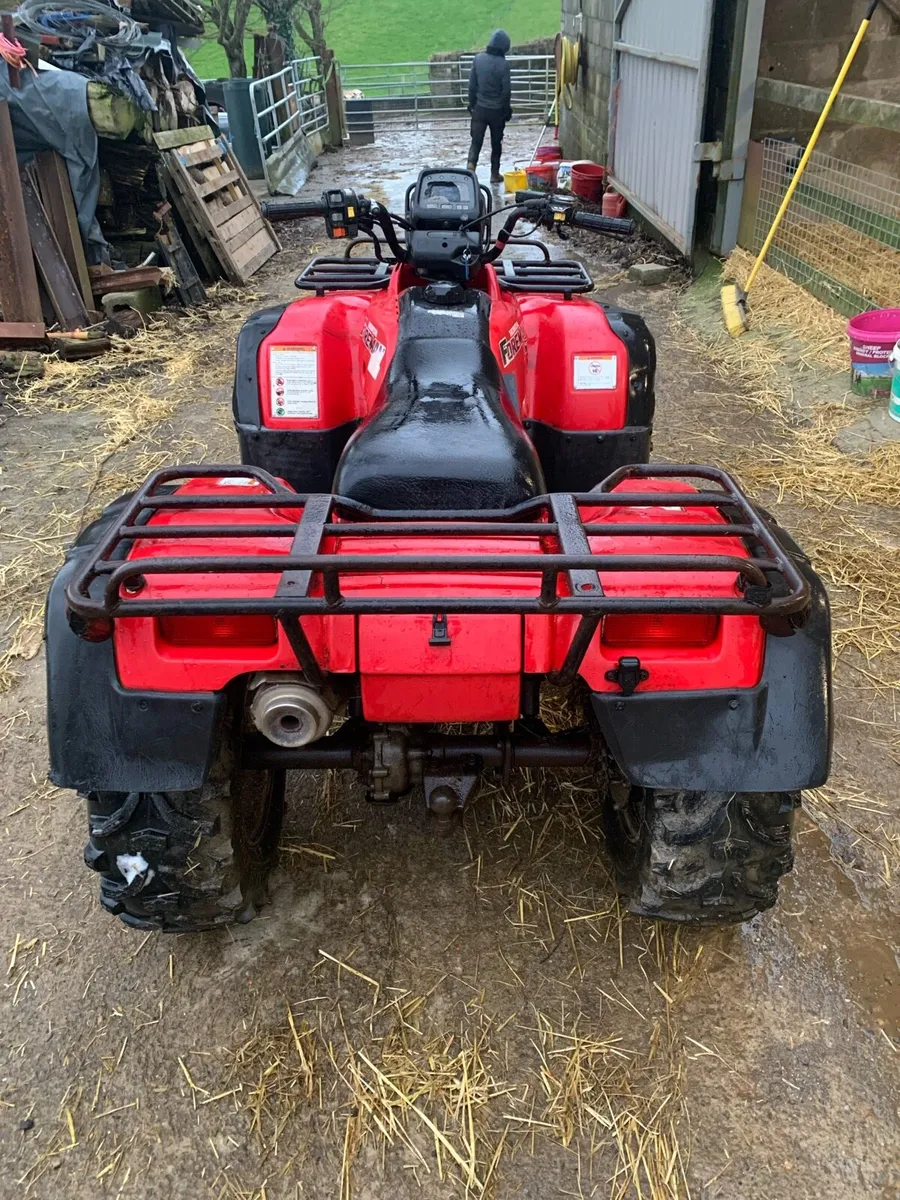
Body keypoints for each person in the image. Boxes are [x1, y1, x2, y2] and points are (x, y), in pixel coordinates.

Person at [467, 29, 512, 184]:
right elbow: (506, 91)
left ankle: (471, 168)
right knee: (496, 144)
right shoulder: (504, 65)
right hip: (497, 111)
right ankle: (494, 174)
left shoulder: (478, 59)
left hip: (479, 108)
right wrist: (507, 110)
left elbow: (472, 86)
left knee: (476, 141)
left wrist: (472, 104)